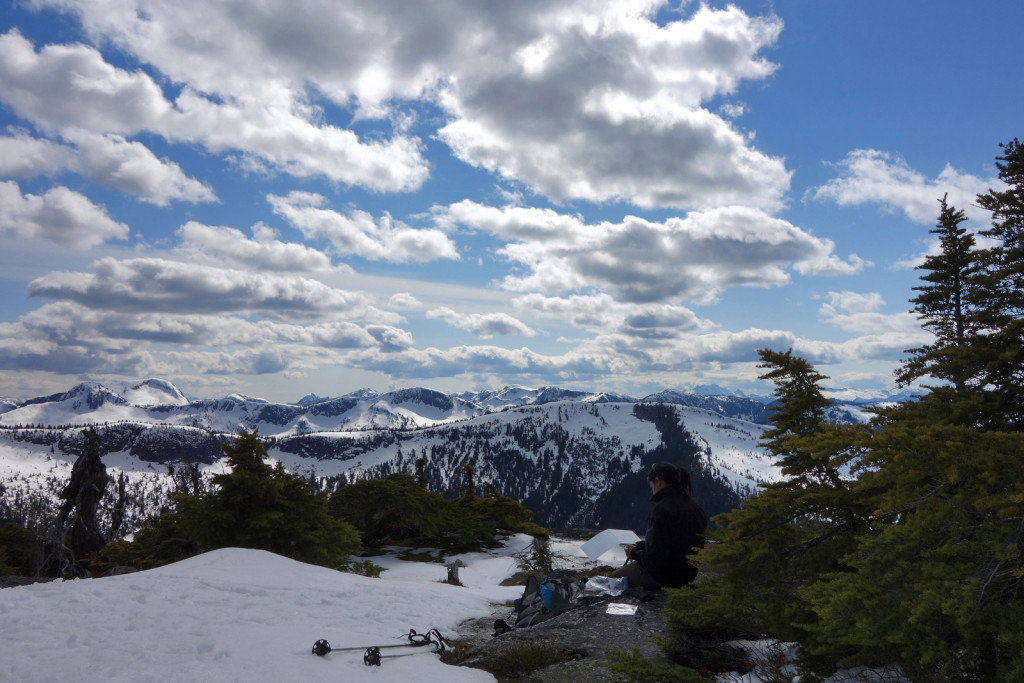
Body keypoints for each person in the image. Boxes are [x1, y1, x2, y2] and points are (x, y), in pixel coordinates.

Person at [611, 461, 708, 589]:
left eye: (651, 486)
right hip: (687, 575)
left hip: (664, 578)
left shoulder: (662, 510)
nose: (652, 490)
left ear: (658, 481)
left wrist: (634, 553)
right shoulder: (696, 508)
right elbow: (673, 543)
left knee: (612, 580)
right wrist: (641, 546)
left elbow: (655, 561)